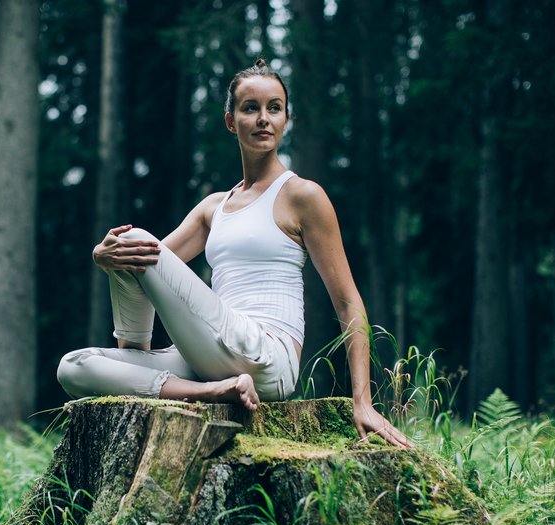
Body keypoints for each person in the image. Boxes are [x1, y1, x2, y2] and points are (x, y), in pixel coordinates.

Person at [57, 59, 411, 448]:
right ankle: (209, 391)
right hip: (207, 362)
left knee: (137, 241)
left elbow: (348, 302)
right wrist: (100, 254)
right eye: (250, 108)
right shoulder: (214, 207)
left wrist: (364, 401)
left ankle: (176, 372)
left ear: (286, 120)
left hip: (266, 356)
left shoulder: (302, 196)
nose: (263, 118)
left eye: (274, 108)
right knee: (73, 367)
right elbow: (142, 267)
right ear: (231, 121)